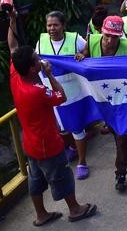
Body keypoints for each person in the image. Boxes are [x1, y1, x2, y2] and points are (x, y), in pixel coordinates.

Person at [7, 10, 96, 226]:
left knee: (36, 181)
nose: (41, 60)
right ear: (31, 68)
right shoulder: (37, 91)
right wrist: (49, 74)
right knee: (62, 177)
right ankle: (75, 209)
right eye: (37, 60)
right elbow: (61, 96)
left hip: (30, 144)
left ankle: (41, 215)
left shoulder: (16, 77)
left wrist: (12, 20)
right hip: (48, 144)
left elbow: (12, 47)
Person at [76, 16, 127, 192]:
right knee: (115, 132)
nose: (110, 40)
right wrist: (81, 56)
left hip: (120, 100)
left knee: (120, 134)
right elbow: (84, 56)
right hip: (99, 97)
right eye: (107, 35)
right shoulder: (92, 41)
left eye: (115, 37)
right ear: (101, 31)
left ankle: (121, 173)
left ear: (120, 36)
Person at [36, 11, 91, 180]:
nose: (52, 28)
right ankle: (73, 149)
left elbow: (87, 49)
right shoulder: (41, 41)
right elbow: (36, 60)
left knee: (76, 127)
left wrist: (83, 55)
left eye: (55, 25)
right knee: (61, 127)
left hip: (73, 92)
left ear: (63, 26)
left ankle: (82, 162)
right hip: (51, 92)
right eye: (49, 25)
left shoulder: (74, 39)